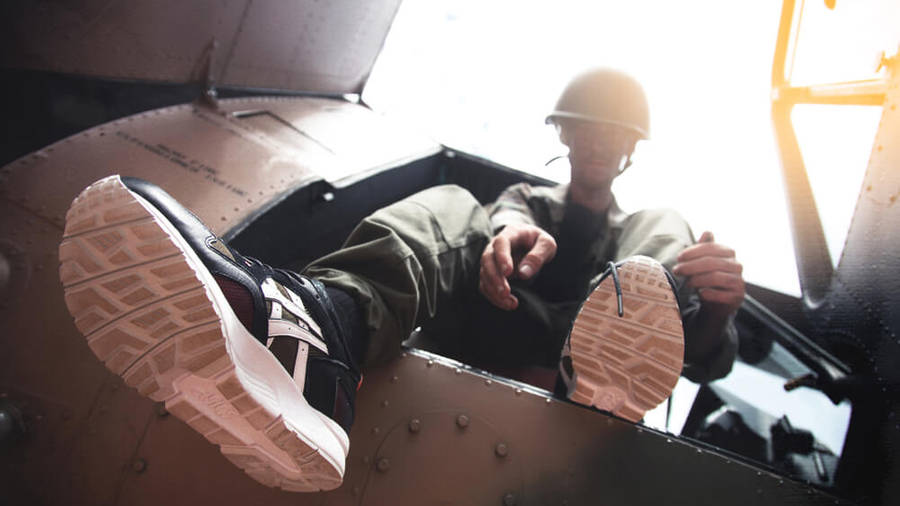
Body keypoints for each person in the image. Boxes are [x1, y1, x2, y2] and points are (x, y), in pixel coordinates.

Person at [57, 68, 744, 492]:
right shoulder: (523, 200)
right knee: (457, 205)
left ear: (630, 147)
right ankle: (322, 333)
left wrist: (712, 309)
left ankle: (613, 354)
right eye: (585, 129)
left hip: (582, 359)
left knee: (666, 231)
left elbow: (711, 359)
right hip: (495, 311)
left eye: (612, 133)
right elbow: (504, 214)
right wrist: (503, 236)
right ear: (563, 135)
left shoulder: (649, 227)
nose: (596, 143)